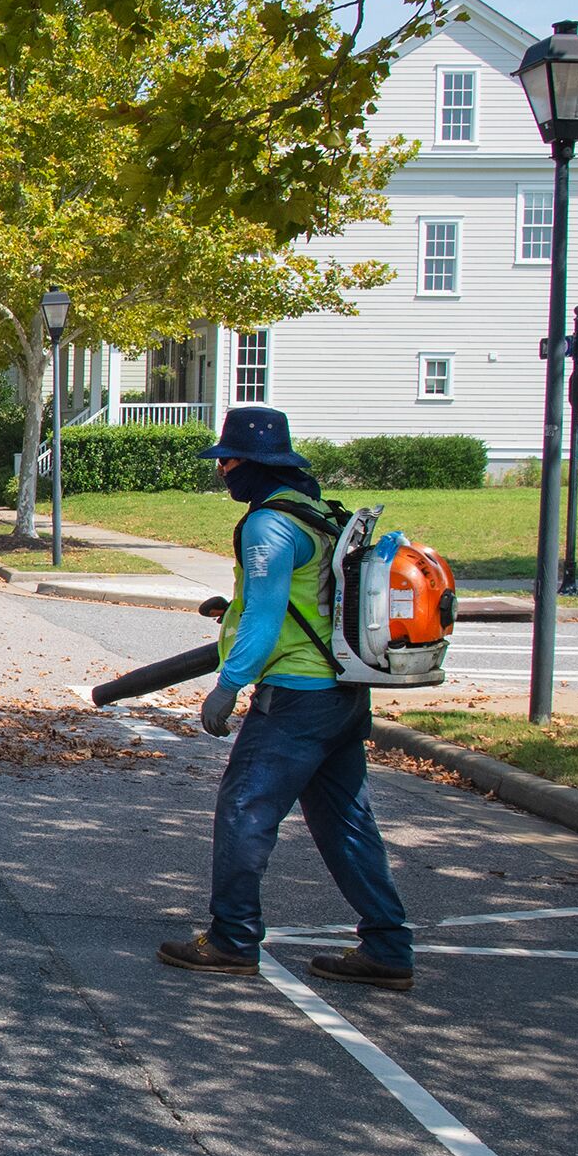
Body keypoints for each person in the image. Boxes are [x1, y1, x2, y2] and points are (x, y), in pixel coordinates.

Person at [157, 406, 416, 991]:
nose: (221, 469)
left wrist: (228, 686)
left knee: (245, 810)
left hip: (297, 698)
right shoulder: (319, 514)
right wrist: (235, 611)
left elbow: (271, 613)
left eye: (227, 459)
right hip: (344, 693)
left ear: (252, 464)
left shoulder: (267, 525)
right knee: (345, 823)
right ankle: (388, 947)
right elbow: (306, 598)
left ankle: (231, 939)